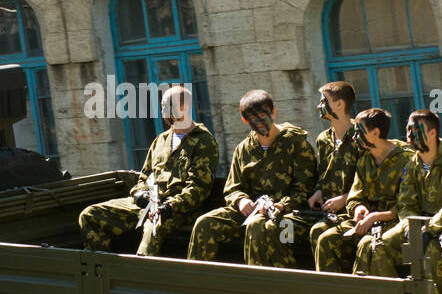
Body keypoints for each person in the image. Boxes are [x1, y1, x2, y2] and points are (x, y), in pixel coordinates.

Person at [78, 85, 219, 256]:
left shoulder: (203, 141)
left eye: (169, 106)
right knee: (90, 215)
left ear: (185, 107)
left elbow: (198, 189)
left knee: (152, 230)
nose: (164, 112)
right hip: (148, 203)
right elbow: (144, 177)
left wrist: (168, 207)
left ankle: (141, 277)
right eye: (163, 107)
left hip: (178, 210)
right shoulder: (161, 140)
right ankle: (104, 272)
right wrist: (141, 195)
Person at [186, 89, 317, 267]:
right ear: (245, 120)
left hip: (290, 215)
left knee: (258, 227)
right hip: (250, 212)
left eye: (264, 115)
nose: (260, 122)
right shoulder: (244, 148)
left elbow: (304, 189)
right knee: (205, 224)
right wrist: (241, 201)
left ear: (274, 112)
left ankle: (256, 285)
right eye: (253, 119)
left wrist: (281, 205)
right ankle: (197, 284)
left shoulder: (295, 143)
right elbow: (233, 188)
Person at [365, 109, 442, 294]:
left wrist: (429, 228)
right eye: (407, 129)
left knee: (429, 253)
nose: (409, 134)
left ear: (432, 133)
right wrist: (409, 225)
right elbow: (405, 203)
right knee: (380, 245)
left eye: (415, 129)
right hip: (419, 224)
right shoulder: (413, 163)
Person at [312, 107, 412, 275]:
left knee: (368, 245)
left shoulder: (406, 159)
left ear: (375, 133)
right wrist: (359, 208)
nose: (354, 136)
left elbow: (407, 206)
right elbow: (355, 195)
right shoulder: (365, 159)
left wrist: (375, 217)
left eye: (359, 131)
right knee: (326, 239)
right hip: (367, 220)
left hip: (395, 222)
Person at [275, 81, 361, 268]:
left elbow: (369, 181)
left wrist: (345, 199)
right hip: (323, 211)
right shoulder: (324, 139)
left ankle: (330, 289)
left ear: (339, 104)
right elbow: (323, 175)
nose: (319, 105)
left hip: (351, 212)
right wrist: (319, 191)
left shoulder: (359, 137)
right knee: (281, 226)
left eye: (324, 100)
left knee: (319, 233)